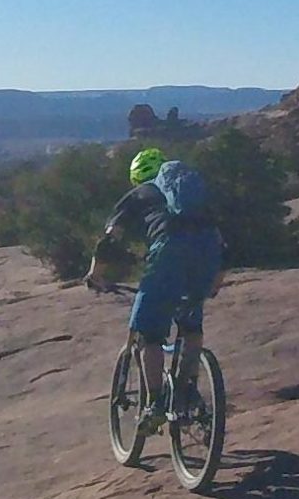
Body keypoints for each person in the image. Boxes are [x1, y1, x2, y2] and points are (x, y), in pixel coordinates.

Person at [85, 147, 223, 431]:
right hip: (208, 252)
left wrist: (96, 273)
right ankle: (187, 391)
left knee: (150, 333)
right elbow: (219, 237)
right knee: (191, 326)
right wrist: (215, 279)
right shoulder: (190, 197)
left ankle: (156, 404)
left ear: (137, 178)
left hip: (168, 252)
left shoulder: (139, 195)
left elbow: (110, 240)